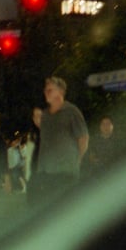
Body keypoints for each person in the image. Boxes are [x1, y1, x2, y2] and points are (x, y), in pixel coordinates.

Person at [29, 77, 88, 207]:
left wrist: (77, 160)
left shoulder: (71, 111)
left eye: (50, 90)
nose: (46, 93)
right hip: (47, 172)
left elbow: (83, 138)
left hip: (66, 171)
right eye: (45, 90)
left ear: (60, 92)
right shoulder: (45, 114)